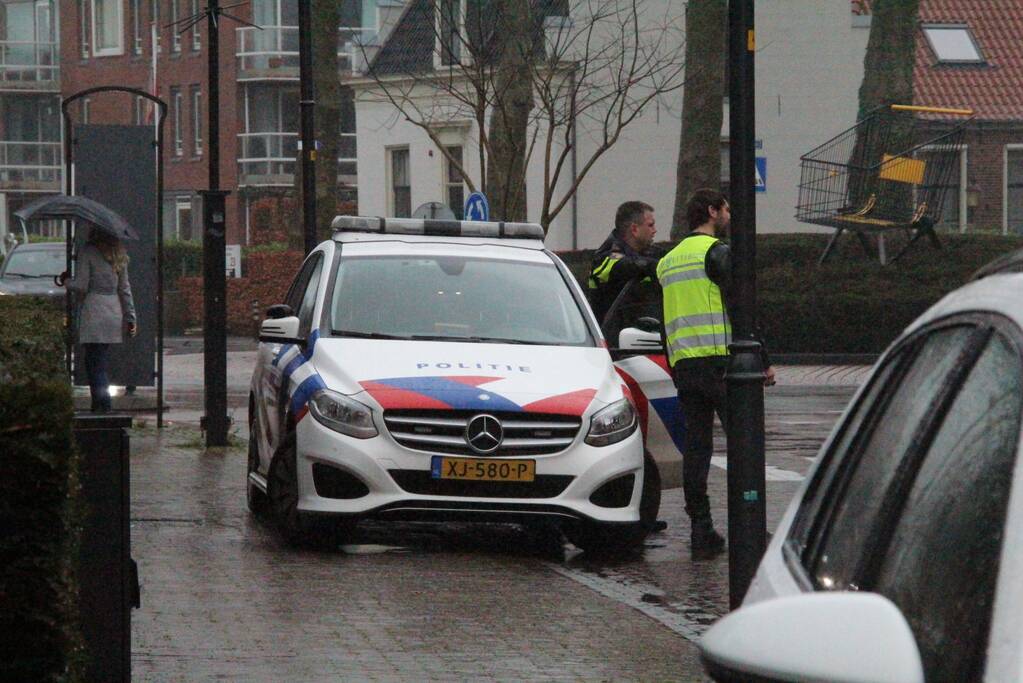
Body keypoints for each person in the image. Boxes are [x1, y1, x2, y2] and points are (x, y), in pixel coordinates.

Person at [657, 189, 774, 555]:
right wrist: (762, 359)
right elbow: (741, 309)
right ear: (711, 211)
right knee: (746, 445)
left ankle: (701, 528)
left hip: (686, 367)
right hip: (723, 364)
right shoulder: (717, 253)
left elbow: (666, 323)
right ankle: (750, 526)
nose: (728, 215)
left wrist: (674, 362)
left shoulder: (667, 262)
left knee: (697, 449)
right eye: (725, 209)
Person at [59, 226, 137, 413]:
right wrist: (131, 317)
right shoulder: (118, 253)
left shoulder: (88, 252)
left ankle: (103, 407)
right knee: (99, 360)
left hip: (94, 310)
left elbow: (82, 285)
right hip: (113, 311)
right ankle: (100, 407)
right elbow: (125, 289)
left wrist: (66, 281)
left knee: (94, 364)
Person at [587, 201, 660, 327]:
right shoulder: (605, 258)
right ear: (634, 229)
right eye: (650, 225)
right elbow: (622, 265)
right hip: (613, 340)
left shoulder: (650, 253)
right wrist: (658, 266)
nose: (655, 230)